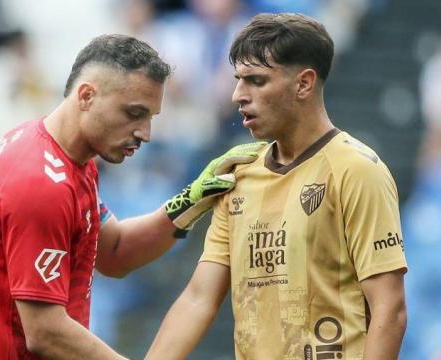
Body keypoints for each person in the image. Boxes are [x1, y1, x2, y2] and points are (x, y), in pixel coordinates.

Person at [0, 34, 265, 359]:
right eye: (134, 113)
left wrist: (193, 198)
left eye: (150, 117)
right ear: (87, 96)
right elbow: (44, 332)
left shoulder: (63, 159)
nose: (145, 133)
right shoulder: (41, 184)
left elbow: (114, 251)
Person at [147, 13, 408, 360]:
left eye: (256, 80)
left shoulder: (357, 170)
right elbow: (198, 298)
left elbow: (390, 309)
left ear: (303, 84)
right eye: (238, 80)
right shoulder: (238, 176)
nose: (238, 95)